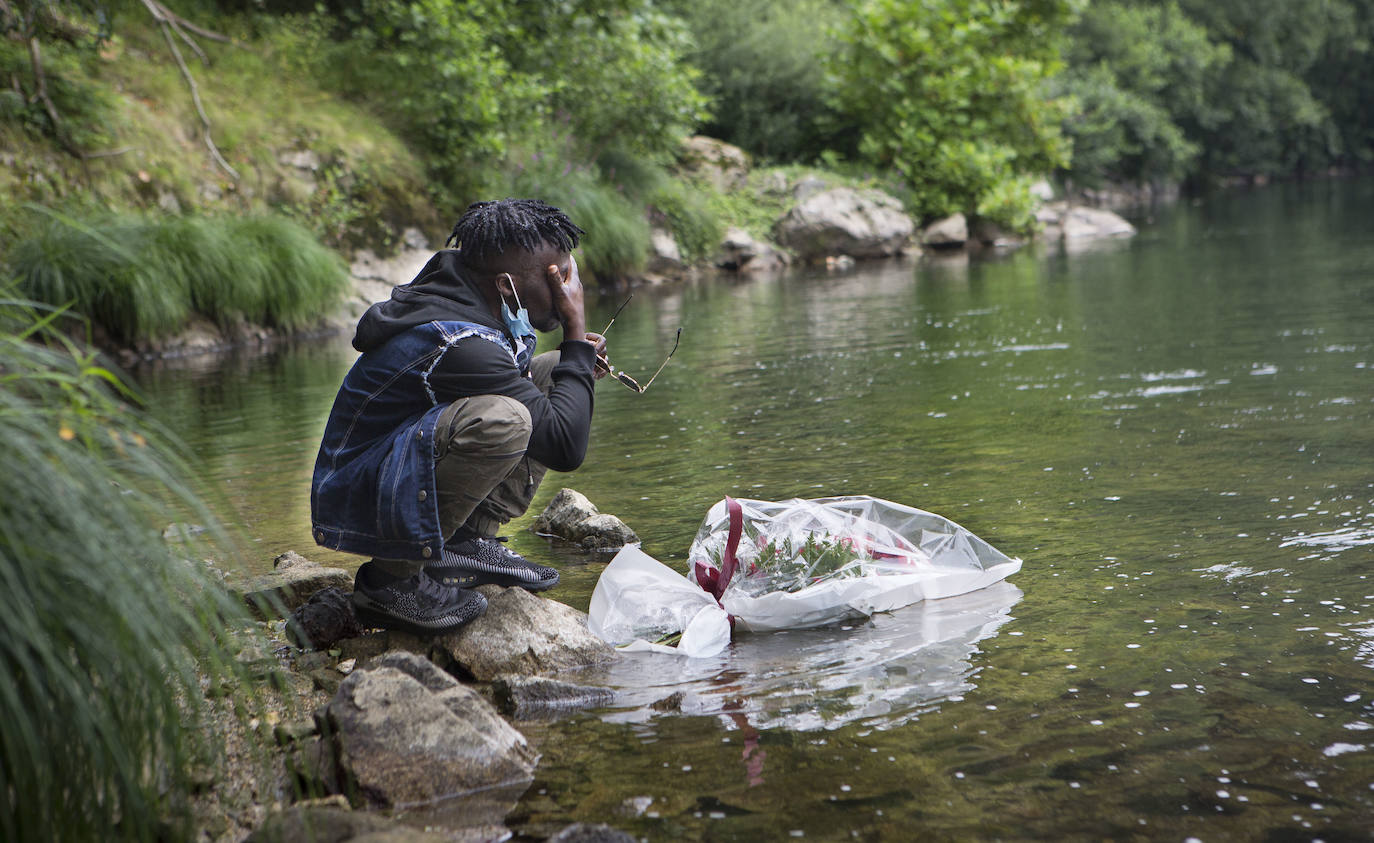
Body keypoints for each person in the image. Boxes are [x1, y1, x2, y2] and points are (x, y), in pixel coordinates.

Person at [310, 199, 607, 635]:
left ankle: (466, 541)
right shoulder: (458, 339)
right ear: (507, 286)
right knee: (508, 418)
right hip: (357, 494)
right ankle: (390, 582)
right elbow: (565, 447)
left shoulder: (474, 292)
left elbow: (543, 398)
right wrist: (576, 332)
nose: (570, 292)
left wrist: (575, 361)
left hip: (400, 470)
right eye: (559, 279)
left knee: (552, 374)